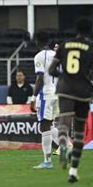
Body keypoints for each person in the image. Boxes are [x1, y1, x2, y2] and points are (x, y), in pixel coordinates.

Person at [48, 18, 93, 183]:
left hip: (65, 88)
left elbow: (51, 70)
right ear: (90, 30)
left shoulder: (64, 45)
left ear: (76, 29)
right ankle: (73, 172)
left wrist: (64, 77)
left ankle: (63, 144)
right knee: (79, 132)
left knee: (63, 123)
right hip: (83, 90)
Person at [30, 33, 68, 169]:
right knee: (49, 125)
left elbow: (40, 78)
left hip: (46, 94)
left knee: (44, 126)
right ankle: (65, 147)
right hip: (58, 93)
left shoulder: (40, 56)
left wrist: (33, 97)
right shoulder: (58, 55)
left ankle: (47, 161)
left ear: (37, 42)